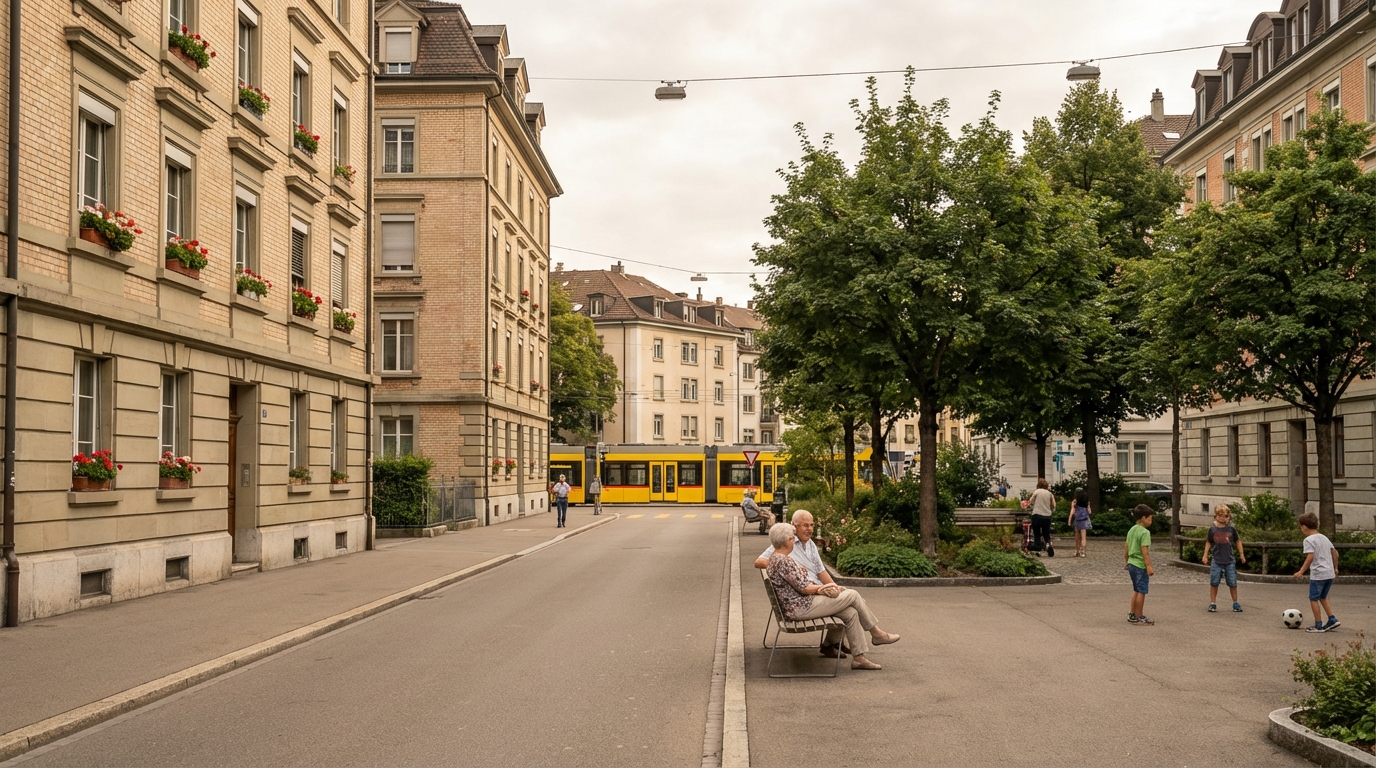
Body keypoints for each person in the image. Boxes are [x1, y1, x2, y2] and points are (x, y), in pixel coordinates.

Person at [764, 522, 899, 670]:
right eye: (792, 537)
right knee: (853, 595)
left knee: (851, 612)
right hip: (801, 607)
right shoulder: (783, 561)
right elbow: (805, 589)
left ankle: (859, 658)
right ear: (788, 540)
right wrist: (825, 588)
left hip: (797, 605)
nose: (794, 540)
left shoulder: (775, 558)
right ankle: (876, 633)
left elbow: (798, 583)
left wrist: (810, 578)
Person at [754, 509, 846, 657]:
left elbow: (821, 571)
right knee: (849, 602)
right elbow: (759, 562)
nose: (809, 529)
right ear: (794, 526)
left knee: (848, 598)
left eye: (811, 525)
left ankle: (835, 642)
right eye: (805, 525)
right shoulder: (786, 542)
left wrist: (835, 587)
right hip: (805, 595)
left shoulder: (811, 545)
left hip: (813, 589)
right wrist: (791, 565)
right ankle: (834, 644)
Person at [1293, 512, 1340, 633]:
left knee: (1313, 598)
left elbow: (1310, 556)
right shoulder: (1324, 537)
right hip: (1329, 573)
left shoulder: (1308, 540)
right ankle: (1332, 619)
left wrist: (1301, 571)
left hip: (1318, 574)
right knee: (1323, 597)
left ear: (1304, 526)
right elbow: (1335, 553)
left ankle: (1318, 624)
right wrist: (1335, 567)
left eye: (1300, 527)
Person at [1203, 503, 1246, 613]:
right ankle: (1212, 603)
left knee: (1232, 582)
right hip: (1217, 560)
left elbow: (1237, 541)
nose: (1223, 518)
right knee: (1214, 582)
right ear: (1216, 516)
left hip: (1229, 560)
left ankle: (1235, 603)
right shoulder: (1212, 529)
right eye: (1220, 516)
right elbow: (1208, 542)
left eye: (1226, 516)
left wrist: (1241, 554)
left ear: (1229, 517)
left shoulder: (1231, 529)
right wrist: (1205, 555)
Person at [1125, 504, 1155, 625]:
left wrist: (1127, 562)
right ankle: (1139, 616)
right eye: (1150, 518)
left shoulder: (1132, 530)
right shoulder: (1145, 532)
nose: (1151, 521)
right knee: (1141, 590)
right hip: (1139, 564)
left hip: (1131, 563)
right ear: (1143, 518)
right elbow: (1144, 551)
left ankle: (1132, 613)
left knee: (1136, 590)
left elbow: (1126, 547)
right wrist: (1149, 566)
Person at [1023, 477, 1055, 557]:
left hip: (1037, 515)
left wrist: (1025, 505)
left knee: (1036, 533)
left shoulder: (1037, 491)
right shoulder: (1050, 494)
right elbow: (1054, 505)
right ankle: (1048, 545)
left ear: (1038, 485)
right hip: (1047, 516)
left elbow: (1030, 502)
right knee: (1046, 533)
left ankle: (1038, 549)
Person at [1067, 488, 1092, 557]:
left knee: (1077, 537)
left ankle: (1077, 551)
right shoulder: (1086, 502)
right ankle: (1083, 552)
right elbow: (1089, 511)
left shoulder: (1074, 502)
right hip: (1084, 520)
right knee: (1083, 537)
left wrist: (1069, 520)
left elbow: (1072, 511)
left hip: (1077, 520)